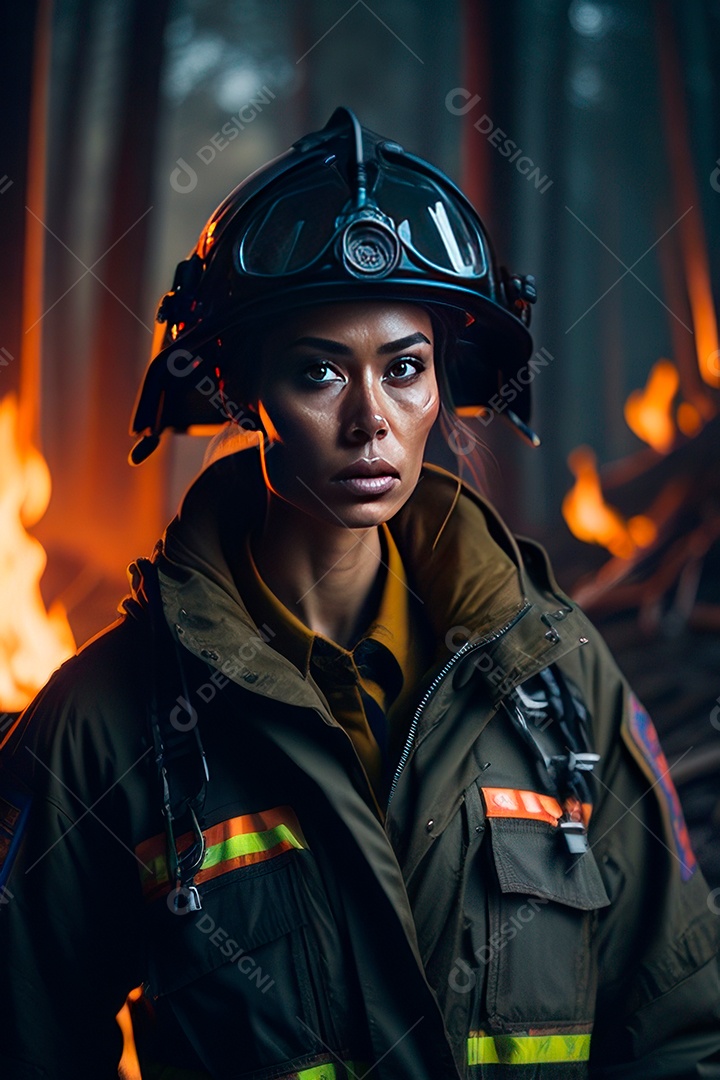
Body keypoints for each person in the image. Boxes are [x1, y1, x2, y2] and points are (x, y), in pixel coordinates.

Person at [0, 107, 718, 1080]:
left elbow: (680, 1028)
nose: (369, 422)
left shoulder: (558, 682)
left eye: (405, 368)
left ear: (443, 388)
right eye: (317, 371)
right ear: (243, 391)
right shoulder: (107, 723)